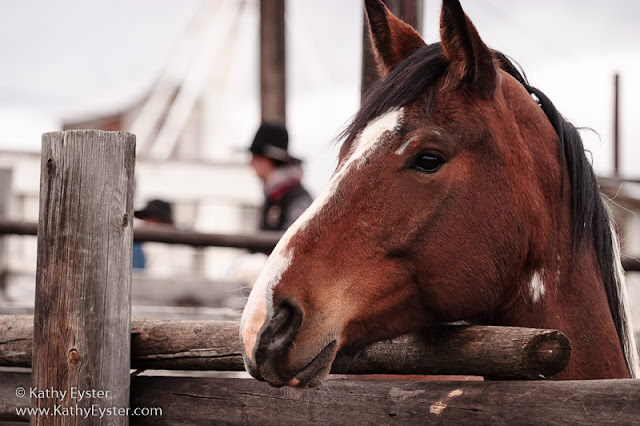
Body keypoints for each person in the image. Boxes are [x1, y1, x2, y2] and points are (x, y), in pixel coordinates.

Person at [249, 123, 312, 231]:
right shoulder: (274, 197)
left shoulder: (298, 200)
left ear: (267, 160)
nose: (251, 163)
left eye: (255, 157)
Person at [132, 199, 174, 269]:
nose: (146, 222)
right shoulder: (137, 246)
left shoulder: (168, 250)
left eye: (152, 219)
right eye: (145, 218)